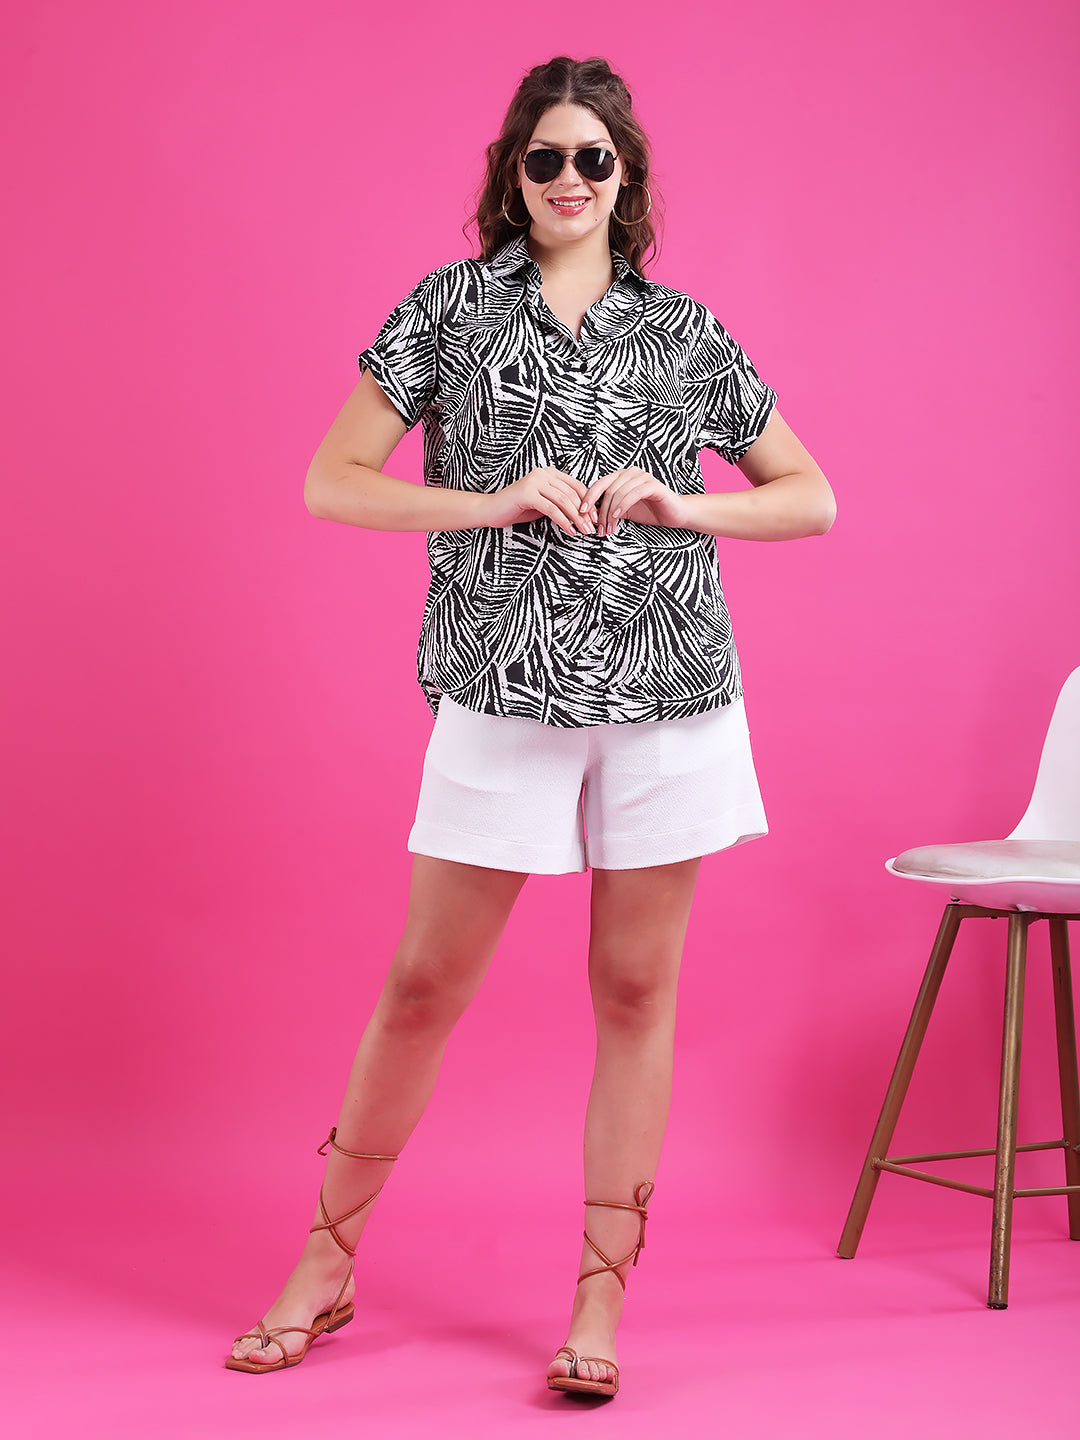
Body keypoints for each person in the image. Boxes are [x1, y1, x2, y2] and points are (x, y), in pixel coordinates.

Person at [226, 54, 835, 1398]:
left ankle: (600, 1303)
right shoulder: (450, 309)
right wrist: (485, 502)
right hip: (500, 686)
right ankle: (324, 1263)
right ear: (514, 174)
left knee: (636, 992)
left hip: (671, 691)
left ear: (626, 178)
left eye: (591, 159)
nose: (568, 179)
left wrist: (685, 505)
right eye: (543, 157)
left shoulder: (685, 332)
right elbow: (334, 480)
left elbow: (810, 496)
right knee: (424, 985)